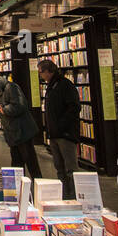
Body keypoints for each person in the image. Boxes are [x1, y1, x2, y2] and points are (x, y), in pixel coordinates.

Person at [37, 59, 81, 199]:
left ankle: (74, 196)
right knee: (59, 167)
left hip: (65, 134)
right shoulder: (51, 85)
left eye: (41, 72)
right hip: (55, 134)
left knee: (70, 168)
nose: (40, 76)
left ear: (48, 71)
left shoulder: (64, 85)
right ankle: (65, 194)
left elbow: (74, 108)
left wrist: (61, 126)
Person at [0, 74, 42, 179]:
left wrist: (4, 110)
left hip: (22, 131)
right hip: (14, 133)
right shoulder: (2, 91)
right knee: (17, 163)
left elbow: (20, 105)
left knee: (30, 162)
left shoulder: (11, 87)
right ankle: (19, 187)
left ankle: (39, 186)